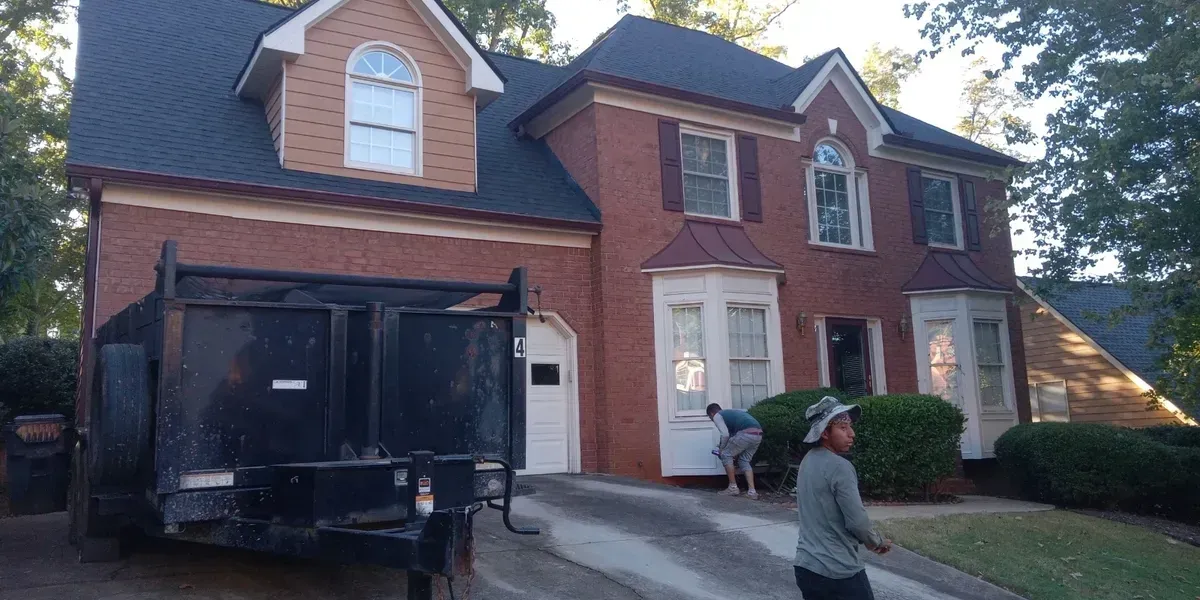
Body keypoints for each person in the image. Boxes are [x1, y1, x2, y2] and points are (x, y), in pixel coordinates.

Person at [793, 396, 892, 600]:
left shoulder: (807, 462)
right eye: (843, 427)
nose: (852, 434)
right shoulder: (841, 467)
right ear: (825, 433)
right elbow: (858, 522)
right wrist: (876, 541)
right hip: (839, 571)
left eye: (850, 427)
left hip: (806, 567)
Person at [706, 403, 763, 499]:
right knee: (744, 460)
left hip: (745, 433)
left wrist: (721, 449)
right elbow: (732, 437)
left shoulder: (717, 416)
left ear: (711, 413)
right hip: (758, 434)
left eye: (710, 417)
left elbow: (725, 435)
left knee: (725, 455)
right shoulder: (731, 414)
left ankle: (733, 488)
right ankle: (752, 492)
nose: (712, 420)